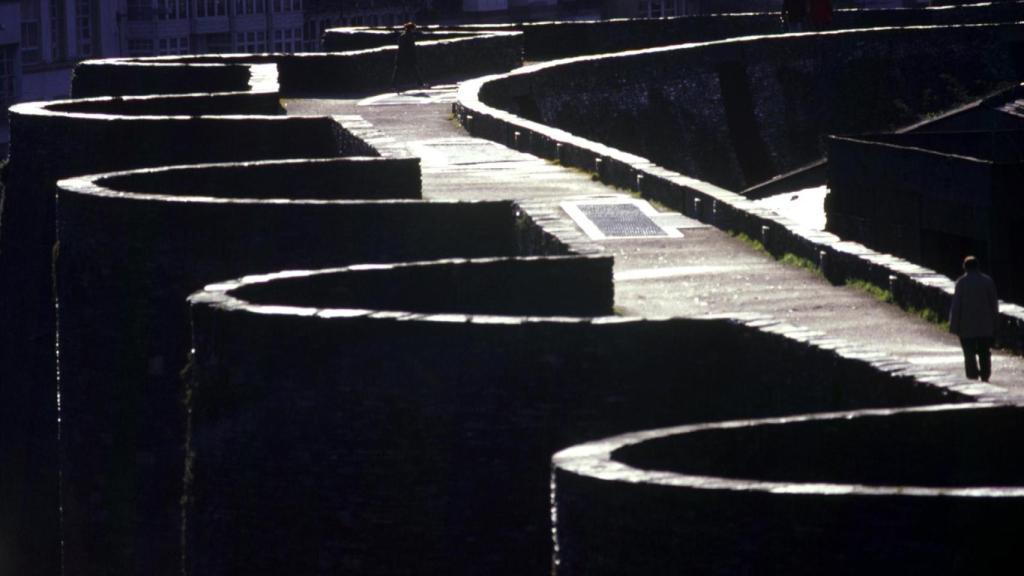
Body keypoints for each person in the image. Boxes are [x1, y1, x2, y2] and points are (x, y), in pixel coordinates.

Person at [949, 255, 999, 382]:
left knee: (969, 353)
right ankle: (985, 374)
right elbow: (994, 304)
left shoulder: (961, 283)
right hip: (985, 325)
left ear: (965, 267)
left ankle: (972, 375)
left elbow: (956, 306)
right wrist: (995, 323)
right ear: (977, 266)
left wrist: (954, 325)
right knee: (984, 352)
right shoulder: (987, 281)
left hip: (966, 326)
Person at [392, 22, 425, 92]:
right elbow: (411, 48)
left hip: (401, 56)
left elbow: (400, 47)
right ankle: (420, 84)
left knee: (398, 71)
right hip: (408, 56)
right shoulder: (410, 36)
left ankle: (394, 85)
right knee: (415, 70)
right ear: (412, 29)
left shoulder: (402, 36)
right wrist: (414, 57)